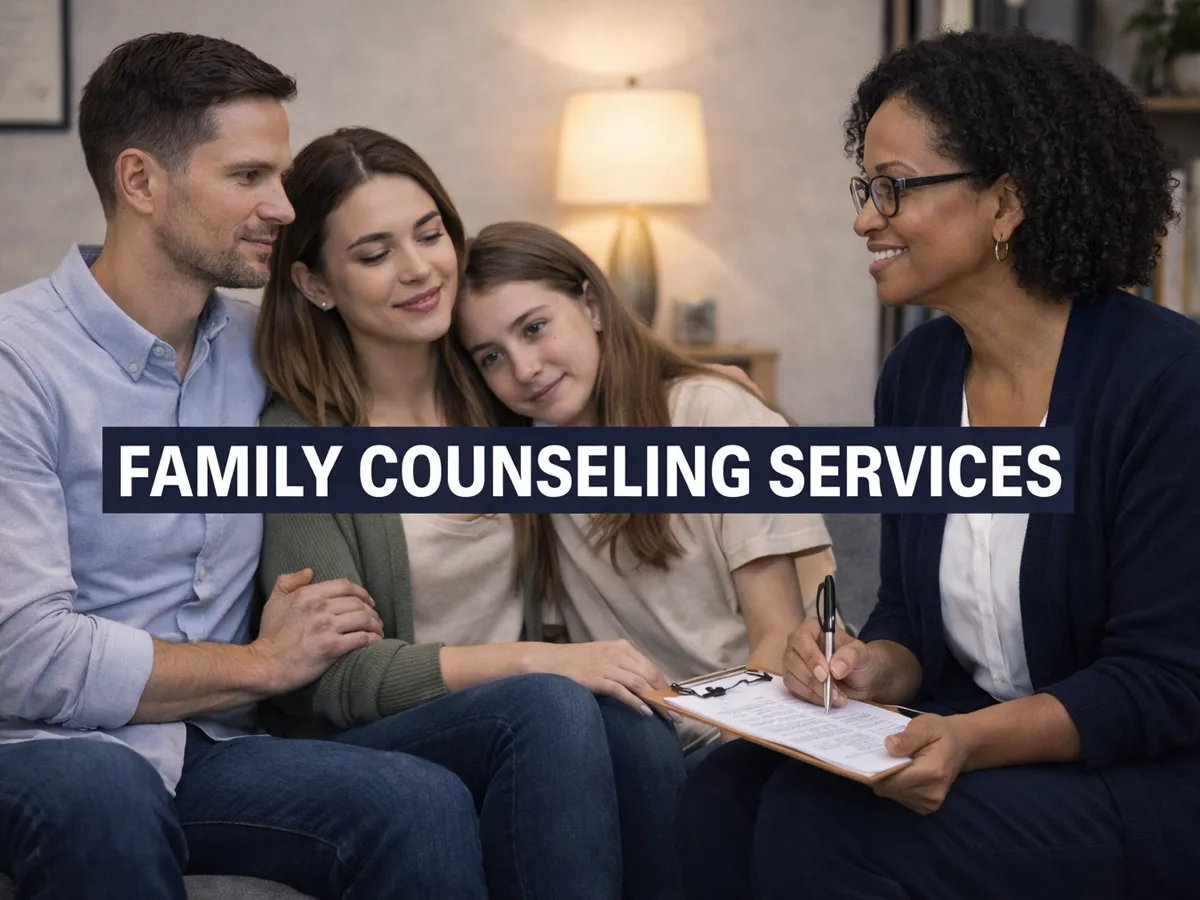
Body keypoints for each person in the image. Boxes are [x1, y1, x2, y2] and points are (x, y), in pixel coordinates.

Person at [675, 28, 1200, 900]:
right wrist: (868, 664)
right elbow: (913, 614)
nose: (864, 218)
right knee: (723, 792)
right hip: (982, 741)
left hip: (1144, 778)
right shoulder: (918, 378)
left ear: (1005, 204)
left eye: (893, 188)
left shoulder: (1167, 383)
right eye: (865, 186)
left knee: (828, 826)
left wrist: (971, 740)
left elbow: (1163, 682)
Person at [1, 33, 508, 900]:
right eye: (248, 178)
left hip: (215, 748)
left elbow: (431, 337)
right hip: (38, 748)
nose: (282, 205)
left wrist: (669, 382)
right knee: (102, 792)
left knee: (416, 802)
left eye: (278, 176)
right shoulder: (19, 364)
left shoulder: (262, 345)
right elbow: (25, 655)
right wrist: (262, 666)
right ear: (140, 182)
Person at [253, 126, 687, 900]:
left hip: (529, 725)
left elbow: (607, 374)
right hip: (381, 735)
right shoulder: (303, 436)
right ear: (317, 284)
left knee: (639, 728)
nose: (420, 268)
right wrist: (539, 660)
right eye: (375, 252)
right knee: (553, 703)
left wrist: (692, 381)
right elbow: (330, 679)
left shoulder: (494, 391)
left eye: (430, 234)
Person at [451, 221, 836, 768]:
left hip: (751, 732)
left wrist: (725, 778)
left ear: (593, 305)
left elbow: (775, 636)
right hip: (636, 744)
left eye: (535, 328)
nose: (525, 369)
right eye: (491, 356)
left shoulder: (711, 416)